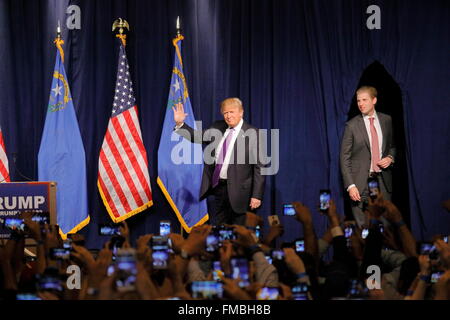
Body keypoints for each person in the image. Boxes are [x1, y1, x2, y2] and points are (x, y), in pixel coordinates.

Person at [172, 97, 265, 225]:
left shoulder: (254, 133)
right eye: (225, 113)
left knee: (240, 234)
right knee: (219, 231)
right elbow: (197, 137)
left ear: (241, 112)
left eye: (232, 112)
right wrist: (180, 124)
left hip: (242, 194)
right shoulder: (218, 127)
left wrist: (257, 195)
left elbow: (260, 167)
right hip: (219, 189)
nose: (228, 116)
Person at [340, 86, 396, 227]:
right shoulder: (352, 125)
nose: (361, 104)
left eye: (364, 100)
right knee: (363, 227)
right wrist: (350, 185)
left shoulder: (386, 120)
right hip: (360, 183)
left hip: (383, 181)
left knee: (385, 226)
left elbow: (393, 146)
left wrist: (390, 158)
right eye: (358, 101)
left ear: (374, 100)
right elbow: (344, 157)